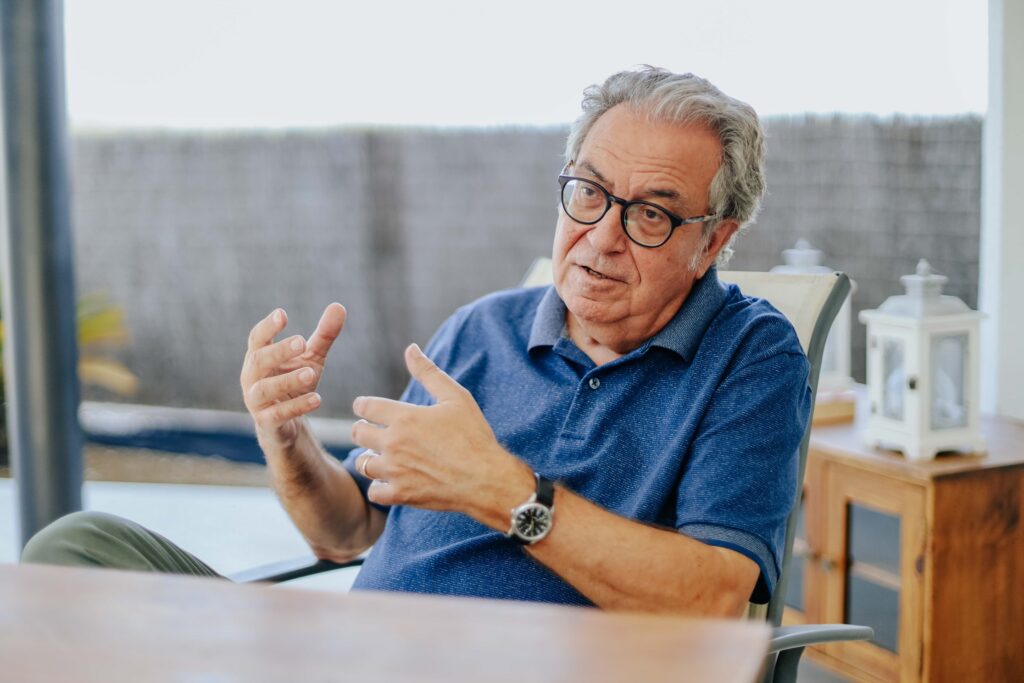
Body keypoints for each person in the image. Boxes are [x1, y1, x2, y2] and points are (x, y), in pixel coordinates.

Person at [23, 67, 810, 617]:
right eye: (589, 192)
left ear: (713, 240)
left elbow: (711, 597)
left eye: (651, 214)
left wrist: (504, 491)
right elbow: (348, 531)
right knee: (76, 548)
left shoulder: (752, 356)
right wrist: (286, 440)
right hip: (358, 652)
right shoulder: (482, 329)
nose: (602, 237)